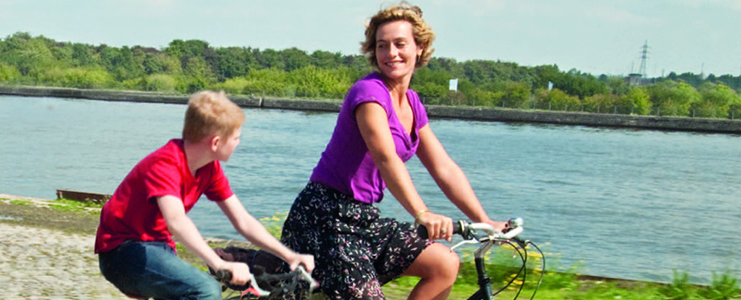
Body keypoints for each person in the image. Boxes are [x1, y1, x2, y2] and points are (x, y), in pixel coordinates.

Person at [280, 2, 505, 300]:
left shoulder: (412, 103)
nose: (391, 54)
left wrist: (484, 219)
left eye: (400, 44)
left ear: (420, 48)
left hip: (363, 219)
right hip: (324, 219)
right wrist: (422, 213)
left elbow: (443, 167)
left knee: (445, 263)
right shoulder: (368, 94)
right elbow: (385, 157)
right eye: (382, 46)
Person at [95, 90, 315, 300]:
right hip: (121, 252)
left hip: (158, 248)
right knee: (206, 290)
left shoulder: (209, 168)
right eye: (236, 137)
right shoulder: (165, 164)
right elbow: (177, 222)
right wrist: (218, 264)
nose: (239, 142)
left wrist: (289, 256)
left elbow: (243, 220)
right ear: (216, 142)